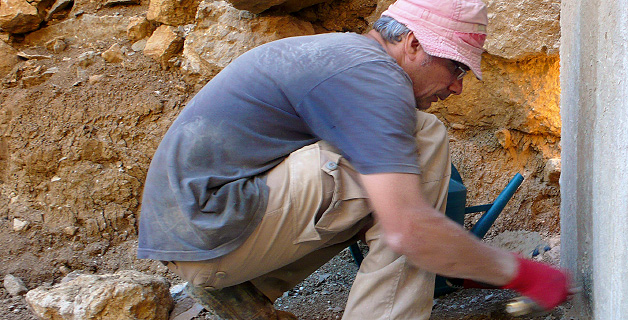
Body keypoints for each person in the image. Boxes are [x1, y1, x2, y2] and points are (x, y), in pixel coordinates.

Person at [135, 0, 571, 318]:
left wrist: (463, 258)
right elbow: (409, 231)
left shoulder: (343, 57)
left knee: (389, 169)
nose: (457, 87)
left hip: (200, 230)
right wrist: (522, 274)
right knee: (421, 146)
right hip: (212, 233)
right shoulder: (373, 77)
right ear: (414, 43)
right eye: (456, 68)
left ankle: (247, 287)